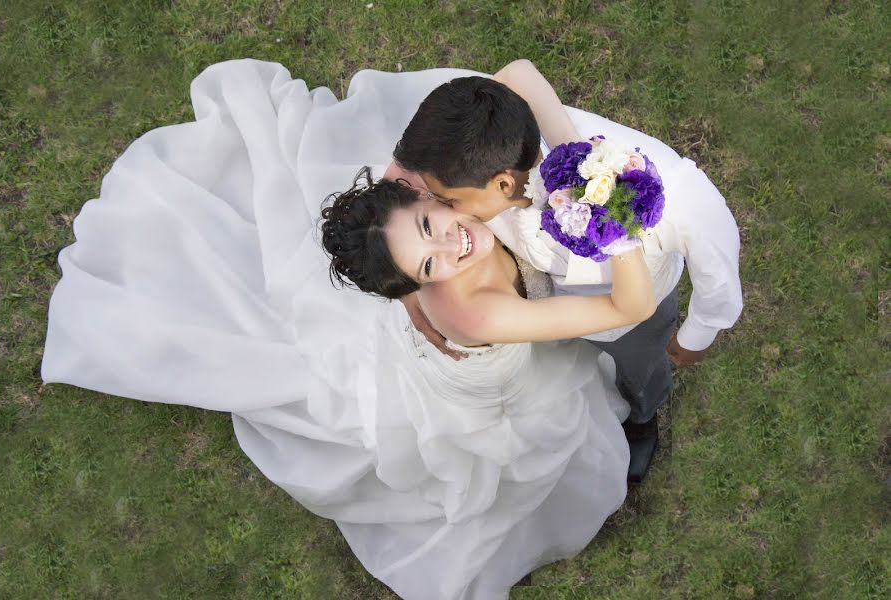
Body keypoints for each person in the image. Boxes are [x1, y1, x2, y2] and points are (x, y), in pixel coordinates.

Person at [39, 59, 650, 600]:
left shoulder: (420, 209)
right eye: (430, 262)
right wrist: (612, 216)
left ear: (420, 193)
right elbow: (630, 310)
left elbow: (513, 75)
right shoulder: (481, 310)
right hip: (488, 371)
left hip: (438, 311)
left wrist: (583, 160)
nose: (455, 241)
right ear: (419, 281)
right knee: (535, 441)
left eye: (435, 221)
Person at [392, 60, 743, 482]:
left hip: (637, 311)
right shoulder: (485, 154)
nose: (443, 209)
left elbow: (715, 254)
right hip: (562, 302)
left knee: (641, 365)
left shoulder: (667, 192)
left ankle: (643, 414)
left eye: (449, 200)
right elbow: (517, 72)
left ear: (504, 185)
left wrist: (699, 332)